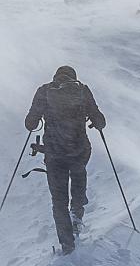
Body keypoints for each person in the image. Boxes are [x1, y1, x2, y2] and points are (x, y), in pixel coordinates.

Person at [24, 65, 106, 254]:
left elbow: (30, 124)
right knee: (78, 187)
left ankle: (67, 245)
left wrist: (41, 117)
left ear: (56, 77)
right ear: (73, 77)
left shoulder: (44, 91)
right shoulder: (82, 90)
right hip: (79, 152)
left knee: (59, 201)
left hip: (54, 155)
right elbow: (100, 122)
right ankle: (77, 216)